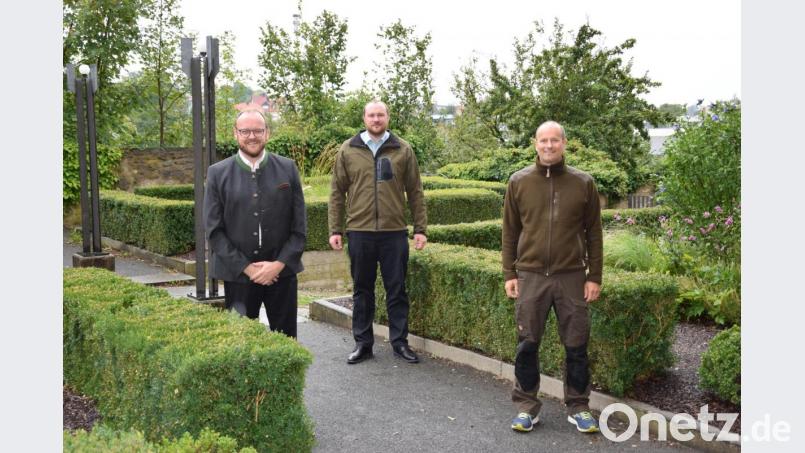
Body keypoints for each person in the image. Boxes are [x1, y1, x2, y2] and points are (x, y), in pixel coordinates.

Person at [502, 121, 603, 433]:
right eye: (543, 141)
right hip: (531, 276)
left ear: (564, 143)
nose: (549, 146)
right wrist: (510, 272)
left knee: (576, 345)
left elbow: (594, 234)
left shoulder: (583, 183)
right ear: (535, 144)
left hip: (571, 277)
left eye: (554, 141)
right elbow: (509, 231)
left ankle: (578, 406)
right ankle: (526, 407)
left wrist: (594, 276)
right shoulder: (518, 182)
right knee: (527, 344)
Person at [328, 100, 428, 364]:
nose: (376, 119)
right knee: (362, 290)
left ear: (388, 117)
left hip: (394, 233)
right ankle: (363, 344)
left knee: (397, 289)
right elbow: (337, 192)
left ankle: (399, 343)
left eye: (380, 115)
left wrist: (420, 229)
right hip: (359, 231)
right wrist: (335, 229)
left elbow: (415, 192)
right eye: (371, 115)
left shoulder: (402, 149)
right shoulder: (348, 150)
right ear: (364, 118)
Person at [204, 109, 306, 338]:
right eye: (245, 131)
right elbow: (214, 231)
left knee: (286, 344)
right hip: (238, 277)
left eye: (258, 130)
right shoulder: (217, 173)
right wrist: (249, 269)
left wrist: (277, 265)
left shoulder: (287, 168)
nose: (252, 136)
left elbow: (299, 228)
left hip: (282, 275)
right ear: (235, 134)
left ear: (267, 133)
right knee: (241, 345)